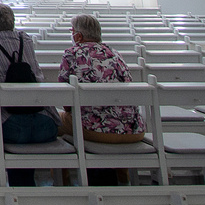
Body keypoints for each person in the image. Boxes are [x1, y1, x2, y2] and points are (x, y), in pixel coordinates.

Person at [0, 3, 58, 184]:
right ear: (13, 22)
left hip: (7, 125)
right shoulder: (26, 41)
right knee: (24, 132)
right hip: (45, 124)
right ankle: (25, 193)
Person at [56, 14, 145, 145]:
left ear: (78, 36)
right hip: (133, 129)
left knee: (52, 120)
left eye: (72, 32)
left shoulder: (72, 53)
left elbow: (66, 100)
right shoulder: (115, 53)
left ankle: (74, 164)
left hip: (97, 129)